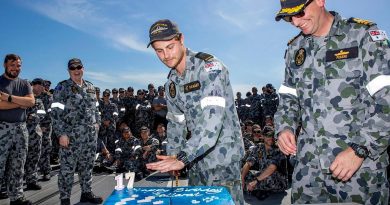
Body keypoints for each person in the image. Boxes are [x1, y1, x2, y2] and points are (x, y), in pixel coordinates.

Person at [274, 0, 390, 204]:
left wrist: (360, 149)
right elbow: (288, 98)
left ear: (320, 1)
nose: (295, 22)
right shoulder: (295, 49)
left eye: (299, 13)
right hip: (308, 171)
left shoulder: (362, 35)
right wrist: (284, 128)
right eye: (288, 17)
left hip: (357, 170)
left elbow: (386, 99)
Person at [145, 19, 245, 205]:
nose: (166, 55)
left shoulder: (209, 68)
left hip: (222, 160)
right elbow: (176, 122)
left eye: (170, 47)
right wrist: (173, 156)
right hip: (196, 162)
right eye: (159, 51)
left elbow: (212, 121)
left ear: (181, 39)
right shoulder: (172, 82)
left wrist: (182, 157)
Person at [50, 58, 103, 205]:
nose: (76, 70)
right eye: (73, 68)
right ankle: (65, 199)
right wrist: (61, 134)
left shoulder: (90, 87)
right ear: (69, 71)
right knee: (67, 169)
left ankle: (86, 193)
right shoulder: (62, 87)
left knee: (87, 166)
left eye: (78, 67)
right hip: (70, 137)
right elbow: (55, 112)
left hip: (90, 137)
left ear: (83, 68)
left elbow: (96, 109)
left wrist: (97, 123)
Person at [0, 54, 35, 205]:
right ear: (5, 65)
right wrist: (21, 103)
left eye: (18, 65)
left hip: (21, 129)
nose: (15, 68)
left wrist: (8, 98)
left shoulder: (25, 83)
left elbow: (31, 102)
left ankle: (16, 198)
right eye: (12, 65)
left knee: (18, 165)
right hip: (2, 128)